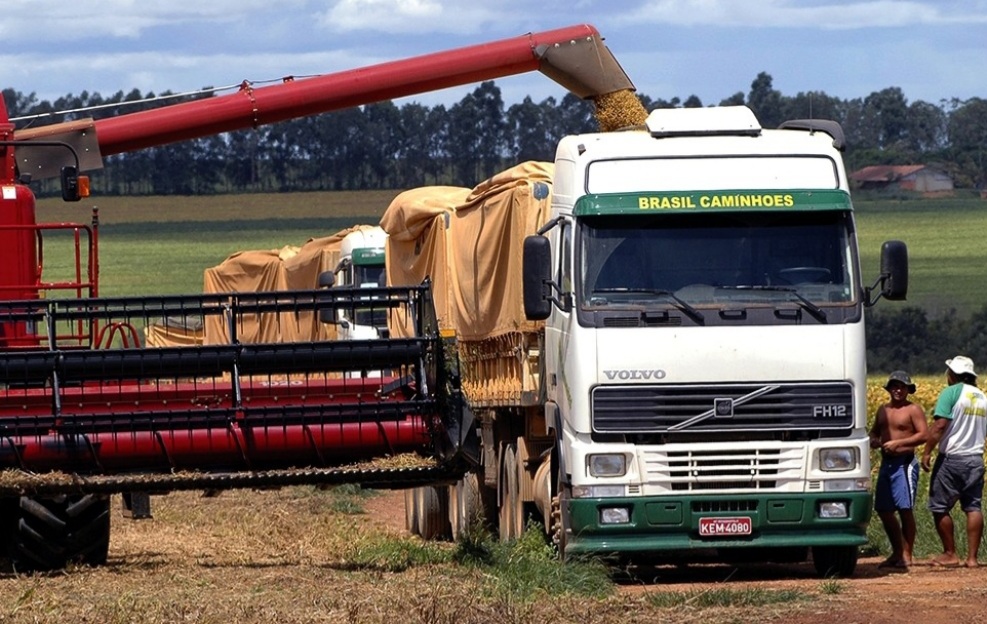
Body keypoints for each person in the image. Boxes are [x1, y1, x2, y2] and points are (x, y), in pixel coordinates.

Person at [921, 355, 987, 567]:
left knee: (939, 506)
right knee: (973, 507)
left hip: (952, 458)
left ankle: (950, 553)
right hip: (975, 458)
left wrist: (927, 451)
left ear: (953, 374)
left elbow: (940, 425)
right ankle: (972, 559)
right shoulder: (982, 396)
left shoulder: (951, 392)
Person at [869, 370, 928, 568]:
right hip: (887, 463)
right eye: (894, 386)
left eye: (902, 386)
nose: (898, 390)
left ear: (908, 390)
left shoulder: (913, 409)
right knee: (884, 510)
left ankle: (907, 553)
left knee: (905, 508)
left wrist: (898, 443)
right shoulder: (882, 410)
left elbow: (923, 435)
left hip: (905, 462)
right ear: (889, 389)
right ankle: (897, 551)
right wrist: (875, 441)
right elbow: (874, 432)